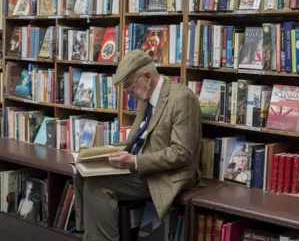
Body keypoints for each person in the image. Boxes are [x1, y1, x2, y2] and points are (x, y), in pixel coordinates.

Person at [73, 50, 203, 241]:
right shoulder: (149, 98)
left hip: (166, 174)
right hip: (140, 166)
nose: (130, 93)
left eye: (130, 87)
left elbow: (182, 154)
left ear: (147, 77)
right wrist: (101, 153)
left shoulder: (182, 98)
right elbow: (134, 140)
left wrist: (134, 161)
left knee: (97, 184)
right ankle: (89, 234)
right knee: (81, 172)